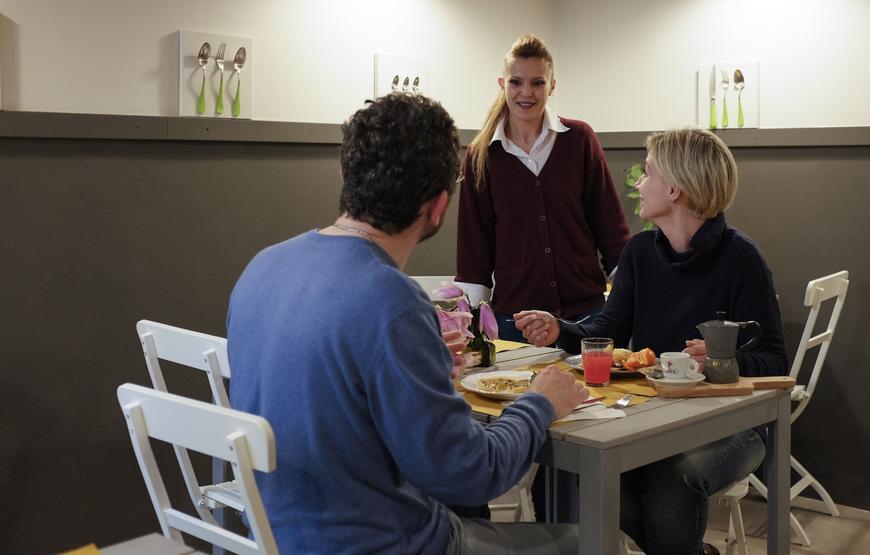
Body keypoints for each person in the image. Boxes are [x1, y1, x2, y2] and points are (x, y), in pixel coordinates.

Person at [227, 93, 589, 555]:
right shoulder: (391, 302)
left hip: (273, 534)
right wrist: (540, 402)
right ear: (439, 207)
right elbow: (469, 474)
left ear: (346, 175)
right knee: (600, 541)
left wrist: (421, 361)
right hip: (380, 543)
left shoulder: (263, 267)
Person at [516, 127, 789, 555]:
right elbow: (605, 331)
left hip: (733, 427)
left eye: (648, 173)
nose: (639, 184)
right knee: (585, 474)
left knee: (671, 477)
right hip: (653, 419)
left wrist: (720, 360)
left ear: (676, 188)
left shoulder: (741, 258)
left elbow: (775, 360)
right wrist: (560, 329)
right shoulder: (641, 252)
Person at [455, 34, 630, 342]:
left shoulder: (579, 139)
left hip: (586, 316)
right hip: (515, 321)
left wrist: (629, 293)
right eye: (516, 82)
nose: (526, 93)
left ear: (552, 85)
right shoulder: (481, 154)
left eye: (537, 83)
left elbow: (610, 225)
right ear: (502, 83)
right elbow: (474, 245)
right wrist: (471, 324)